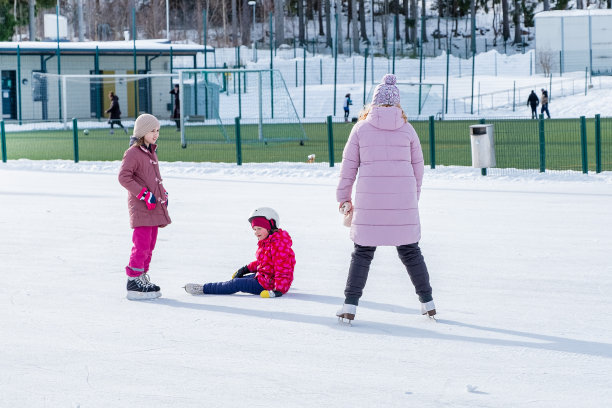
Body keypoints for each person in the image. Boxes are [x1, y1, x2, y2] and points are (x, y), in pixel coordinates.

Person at [335, 73, 435, 324]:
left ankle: (349, 305)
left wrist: (343, 197)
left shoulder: (361, 129)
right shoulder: (408, 130)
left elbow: (348, 167)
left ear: (373, 103)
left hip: (370, 204)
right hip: (404, 202)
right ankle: (428, 303)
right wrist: (414, 197)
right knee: (411, 251)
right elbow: (418, 169)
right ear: (398, 104)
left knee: (362, 252)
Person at [184, 207, 295, 298]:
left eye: (259, 228)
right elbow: (265, 262)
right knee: (238, 280)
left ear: (270, 226)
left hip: (267, 284)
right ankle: (218, 286)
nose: (256, 232)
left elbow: (284, 269)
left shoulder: (278, 245)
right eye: (254, 229)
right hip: (264, 277)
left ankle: (204, 288)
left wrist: (278, 290)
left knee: (236, 284)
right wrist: (245, 268)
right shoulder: (269, 241)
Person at [118, 114, 171, 300]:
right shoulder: (133, 152)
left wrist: (162, 193)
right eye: (152, 131)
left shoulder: (151, 152)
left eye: (158, 131)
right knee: (141, 244)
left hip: (153, 207)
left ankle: (142, 277)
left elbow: (154, 178)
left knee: (150, 244)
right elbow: (124, 177)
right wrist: (144, 194)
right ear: (142, 132)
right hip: (141, 207)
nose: (156, 134)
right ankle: (133, 280)